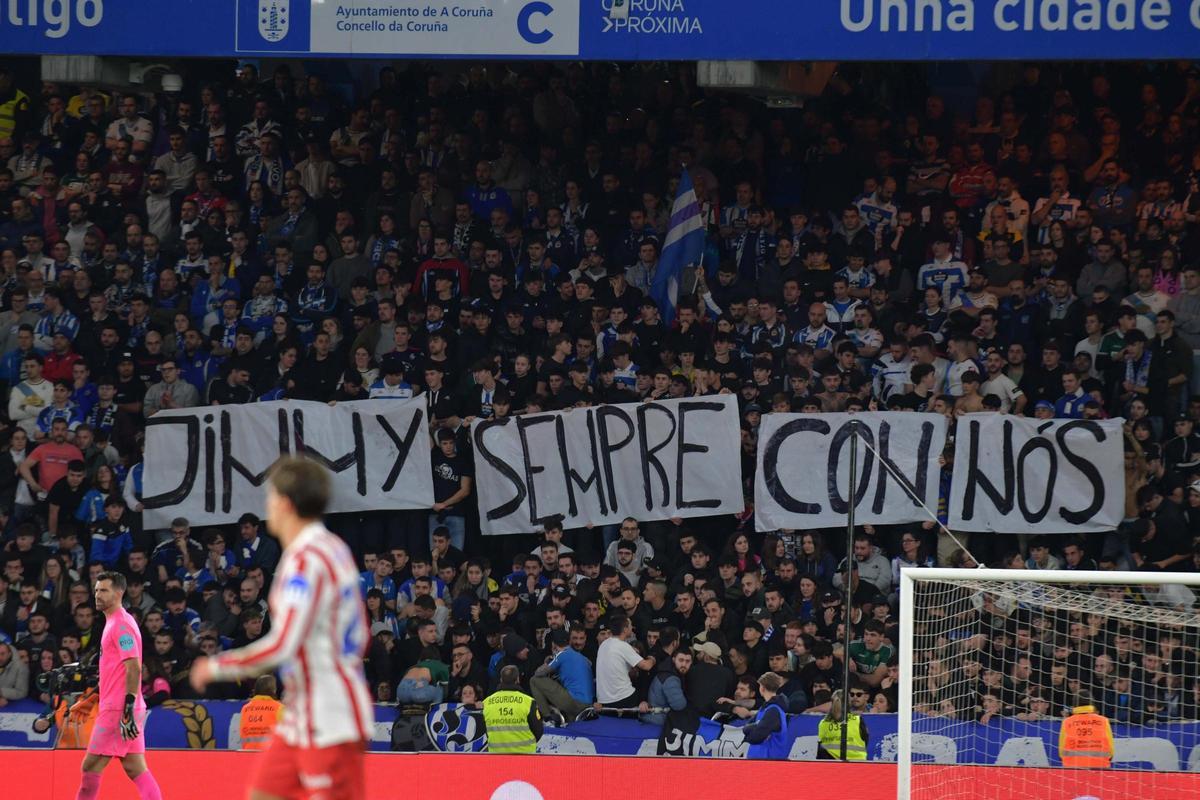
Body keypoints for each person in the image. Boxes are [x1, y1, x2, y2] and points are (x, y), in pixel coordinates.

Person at [189, 457, 373, 800]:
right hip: (301, 711)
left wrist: (218, 665)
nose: (267, 506)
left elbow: (282, 644)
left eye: (270, 497)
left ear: (286, 504)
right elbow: (360, 633)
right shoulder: (335, 549)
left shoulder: (304, 560)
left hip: (329, 715)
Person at [74, 571, 163, 800]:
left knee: (90, 767)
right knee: (136, 769)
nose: (97, 595)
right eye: (96, 590)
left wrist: (126, 709)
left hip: (119, 710)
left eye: (103, 590)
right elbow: (114, 673)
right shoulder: (114, 622)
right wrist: (92, 699)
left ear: (119, 593)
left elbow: (133, 667)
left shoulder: (121, 625)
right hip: (122, 707)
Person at [530, 628, 594, 724]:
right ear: (569, 641)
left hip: (575, 702)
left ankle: (548, 718)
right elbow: (589, 664)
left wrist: (547, 662)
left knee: (534, 680)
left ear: (553, 644)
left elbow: (538, 673)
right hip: (589, 704)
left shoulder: (561, 654)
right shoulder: (582, 657)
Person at [481, 664, 543, 754]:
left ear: (501, 680)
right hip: (525, 755)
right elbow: (538, 730)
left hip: (496, 756)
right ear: (517, 679)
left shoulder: (487, 703)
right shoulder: (528, 702)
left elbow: (486, 730)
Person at [743, 672, 791, 759]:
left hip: (768, 761)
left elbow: (756, 737)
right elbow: (745, 728)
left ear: (762, 688)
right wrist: (756, 727)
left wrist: (754, 729)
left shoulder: (773, 710)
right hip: (761, 759)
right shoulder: (766, 708)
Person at [817, 689, 869, 760]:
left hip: (831, 764)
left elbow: (820, 745)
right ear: (848, 703)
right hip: (857, 763)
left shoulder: (824, 722)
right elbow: (866, 739)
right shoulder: (857, 720)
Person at [1059, 703, 1114, 768]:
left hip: (1072, 768)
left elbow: (1061, 750)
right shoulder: (1103, 720)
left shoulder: (1067, 722)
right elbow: (1110, 749)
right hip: (1100, 767)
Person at [239, 674, 284, 751]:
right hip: (269, 756)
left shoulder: (245, 709)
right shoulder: (279, 708)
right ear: (274, 690)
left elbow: (242, 733)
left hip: (247, 755)